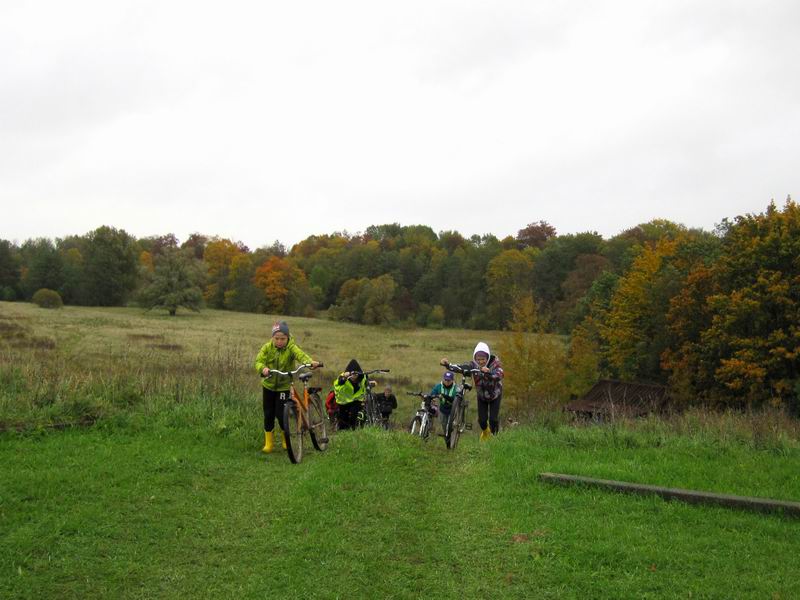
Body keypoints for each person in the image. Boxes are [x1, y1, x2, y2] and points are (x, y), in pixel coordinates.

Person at [254, 320, 320, 453]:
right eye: (276, 338)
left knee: (280, 413)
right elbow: (258, 361)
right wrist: (263, 368)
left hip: (284, 387)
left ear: (288, 337)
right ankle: (269, 444)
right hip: (268, 386)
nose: (279, 341)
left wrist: (309, 362)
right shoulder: (267, 347)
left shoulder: (291, 347)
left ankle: (286, 439)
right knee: (268, 414)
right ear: (272, 337)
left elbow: (300, 355)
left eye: (282, 338)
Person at [441, 342, 504, 440]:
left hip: (495, 395)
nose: (480, 362)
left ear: (487, 358)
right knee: (482, 421)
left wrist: (489, 373)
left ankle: (495, 439)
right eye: (478, 359)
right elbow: (461, 367)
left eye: (483, 359)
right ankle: (486, 432)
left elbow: (500, 374)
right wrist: (448, 365)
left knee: (493, 420)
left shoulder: (495, 364)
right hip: (481, 395)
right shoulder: (473, 365)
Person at [333, 358, 368, 430]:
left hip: (356, 400)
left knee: (353, 416)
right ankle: (343, 430)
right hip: (343, 402)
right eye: (352, 374)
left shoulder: (362, 377)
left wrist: (370, 383)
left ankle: (353, 429)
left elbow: (366, 382)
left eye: (356, 374)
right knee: (343, 421)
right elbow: (339, 383)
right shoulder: (343, 377)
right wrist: (344, 377)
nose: (354, 376)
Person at [429, 370, 459, 435]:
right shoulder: (438, 386)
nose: (447, 382)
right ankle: (447, 439)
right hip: (442, 409)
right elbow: (432, 393)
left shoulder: (456, 388)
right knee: (444, 425)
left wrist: (444, 396)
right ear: (443, 379)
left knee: (450, 426)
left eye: (449, 380)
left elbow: (455, 399)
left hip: (453, 410)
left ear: (452, 380)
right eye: (446, 380)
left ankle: (452, 436)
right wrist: (433, 398)